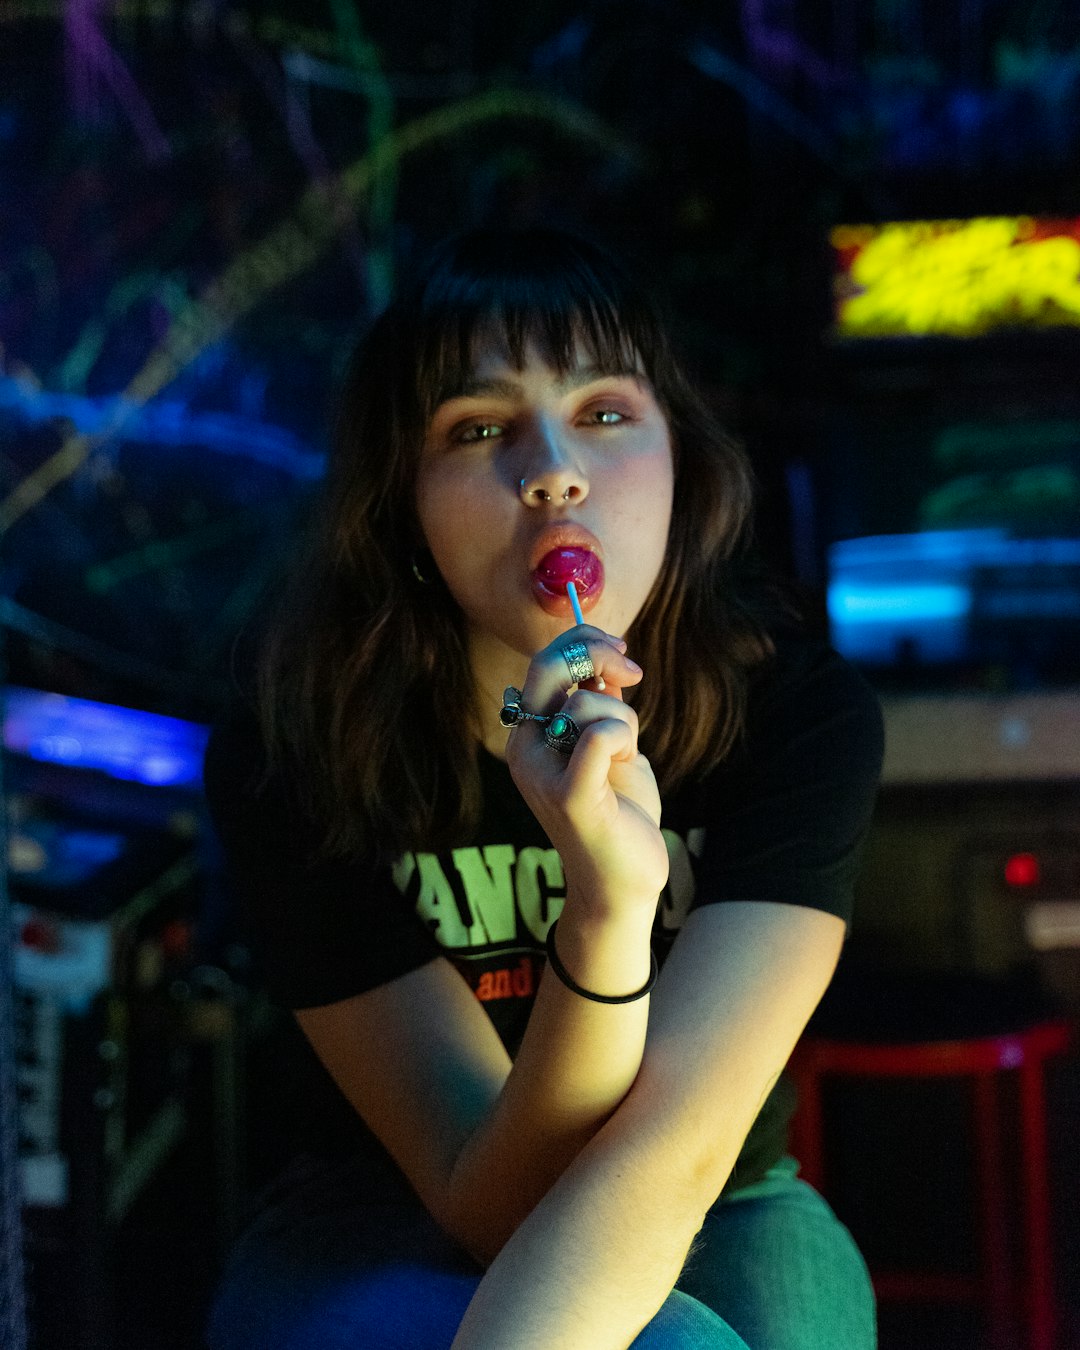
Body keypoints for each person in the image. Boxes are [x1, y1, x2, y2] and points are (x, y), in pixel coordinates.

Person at [202, 226, 884, 1350]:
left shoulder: (796, 719)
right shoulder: (298, 749)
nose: (554, 471)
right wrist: (607, 913)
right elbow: (490, 1200)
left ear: (682, 464)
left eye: (606, 413)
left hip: (723, 1189)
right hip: (382, 1205)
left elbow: (679, 1148)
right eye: (480, 429)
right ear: (402, 503)